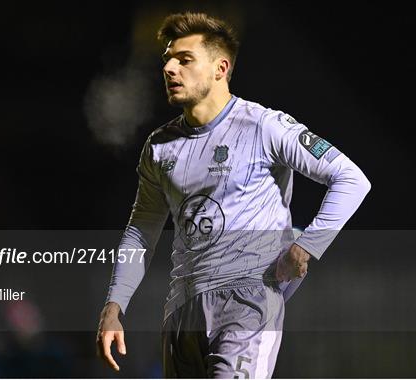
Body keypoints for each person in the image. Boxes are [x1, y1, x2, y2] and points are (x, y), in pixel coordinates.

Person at [96, 11, 371, 378]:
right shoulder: (159, 147)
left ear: (220, 68)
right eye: (168, 60)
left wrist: (305, 247)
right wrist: (114, 304)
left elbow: (351, 179)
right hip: (182, 311)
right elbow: (140, 231)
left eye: (185, 59)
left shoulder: (265, 126)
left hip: (248, 300)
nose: (170, 69)